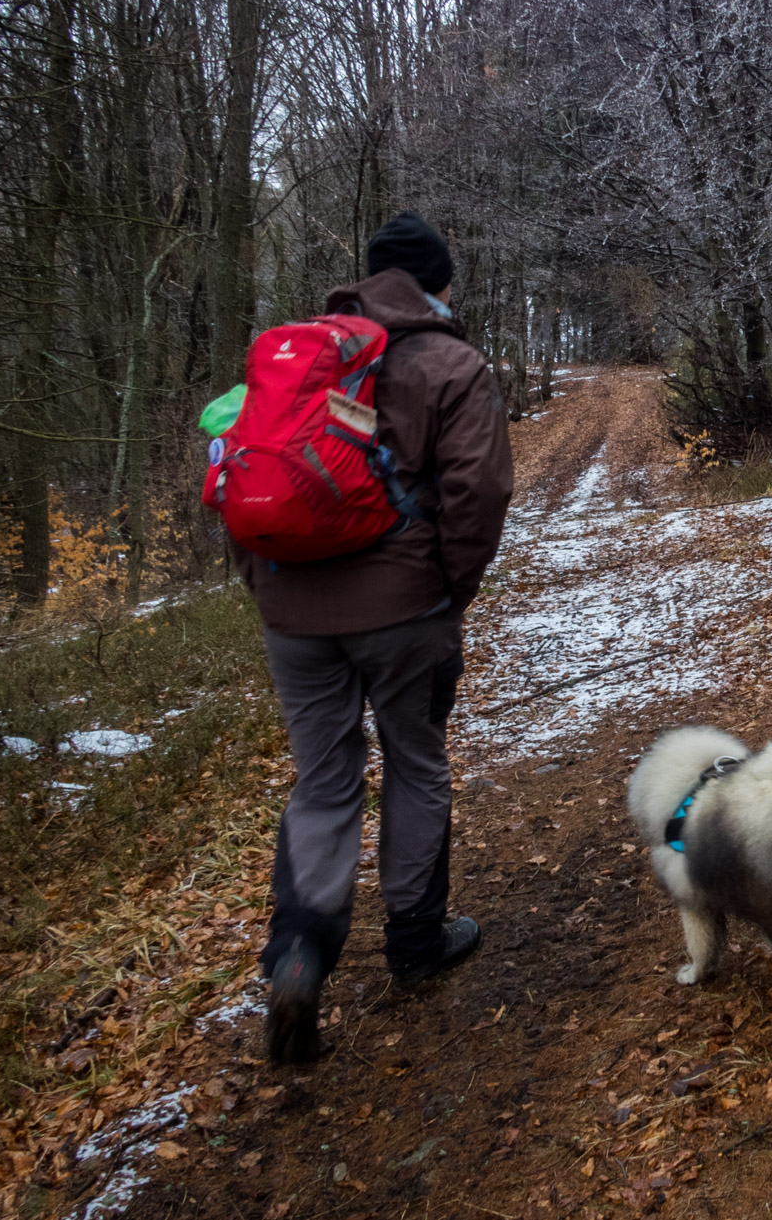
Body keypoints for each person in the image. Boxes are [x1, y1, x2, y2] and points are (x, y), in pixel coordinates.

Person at [240, 211, 514, 1064]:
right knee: (415, 761)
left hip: (292, 610)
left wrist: (267, 583)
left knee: (323, 782)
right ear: (438, 284)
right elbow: (479, 493)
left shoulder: (295, 356)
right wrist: (444, 590)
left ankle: (299, 952)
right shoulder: (451, 363)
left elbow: (243, 471)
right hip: (404, 613)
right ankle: (416, 939)